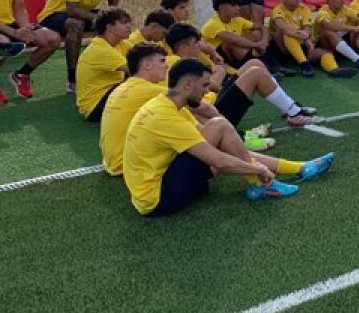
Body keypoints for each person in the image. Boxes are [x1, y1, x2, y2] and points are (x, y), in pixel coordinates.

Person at [122, 58, 335, 216]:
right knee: (221, 127)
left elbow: (224, 149)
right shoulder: (166, 116)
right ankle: (261, 184)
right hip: (159, 199)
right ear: (187, 85)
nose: (207, 92)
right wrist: (257, 169)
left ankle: (300, 168)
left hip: (153, 187)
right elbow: (219, 162)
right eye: (204, 86)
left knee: (220, 130)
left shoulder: (169, 105)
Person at [166, 22, 316, 133]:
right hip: (214, 113)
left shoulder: (180, 61)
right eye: (196, 44)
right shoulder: (179, 65)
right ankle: (294, 112)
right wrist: (220, 73)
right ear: (184, 48)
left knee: (254, 63)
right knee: (256, 72)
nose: (199, 48)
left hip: (214, 103)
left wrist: (217, 69)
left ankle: (289, 107)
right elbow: (211, 86)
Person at [37, 0, 121, 92]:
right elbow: (72, 10)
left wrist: (111, 14)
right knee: (76, 24)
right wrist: (96, 18)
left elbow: (114, 1)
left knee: (112, 23)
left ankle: (105, 69)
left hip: (80, 15)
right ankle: (72, 79)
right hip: (54, 16)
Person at [99, 42, 169, 176]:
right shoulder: (146, 89)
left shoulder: (123, 86)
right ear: (147, 65)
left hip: (114, 161)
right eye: (162, 61)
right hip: (127, 165)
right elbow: (195, 102)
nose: (166, 65)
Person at [269, 0, 346, 77]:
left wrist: (307, 40)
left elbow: (307, 29)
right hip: (282, 48)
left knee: (324, 53)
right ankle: (304, 64)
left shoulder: (304, 9)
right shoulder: (278, 10)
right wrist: (306, 37)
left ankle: (334, 69)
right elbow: (285, 28)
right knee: (287, 32)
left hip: (301, 44)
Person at [75, 8, 133, 122]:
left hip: (109, 93)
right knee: (142, 82)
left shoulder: (121, 43)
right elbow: (138, 71)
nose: (129, 26)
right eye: (124, 22)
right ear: (109, 27)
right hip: (94, 107)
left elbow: (145, 57)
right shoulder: (100, 49)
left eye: (129, 22)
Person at [202, 0, 271, 71]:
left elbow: (262, 27)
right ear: (221, 7)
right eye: (233, 5)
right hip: (215, 59)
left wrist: (263, 41)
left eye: (238, 5)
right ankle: (259, 68)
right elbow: (235, 40)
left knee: (257, 33)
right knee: (232, 43)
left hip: (234, 56)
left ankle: (272, 65)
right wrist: (257, 45)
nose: (238, 8)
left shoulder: (237, 19)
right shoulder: (212, 24)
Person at [161, 0, 224, 66]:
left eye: (187, 6)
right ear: (170, 11)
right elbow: (202, 46)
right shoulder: (169, 29)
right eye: (182, 8)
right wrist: (213, 53)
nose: (187, 10)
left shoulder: (186, 25)